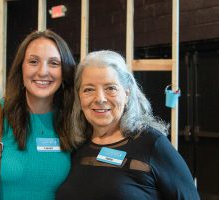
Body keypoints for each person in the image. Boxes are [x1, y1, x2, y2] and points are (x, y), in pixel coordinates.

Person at [56, 50, 200, 200]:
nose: (99, 98)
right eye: (89, 89)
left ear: (127, 94)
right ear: (79, 96)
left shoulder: (152, 144)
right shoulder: (76, 145)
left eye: (110, 88)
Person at [0, 30, 77, 200]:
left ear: (65, 71)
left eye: (54, 63)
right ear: (21, 67)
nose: (43, 71)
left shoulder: (72, 122)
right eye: (33, 61)